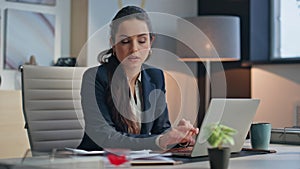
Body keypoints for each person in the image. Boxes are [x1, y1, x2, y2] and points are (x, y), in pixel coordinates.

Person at [77, 6, 198, 151]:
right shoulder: (94, 77)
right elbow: (104, 137)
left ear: (150, 42)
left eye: (141, 40)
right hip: (99, 161)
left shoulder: (156, 76)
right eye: (125, 41)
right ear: (113, 44)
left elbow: (161, 130)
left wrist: (179, 137)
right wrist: (160, 140)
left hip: (138, 162)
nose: (134, 49)